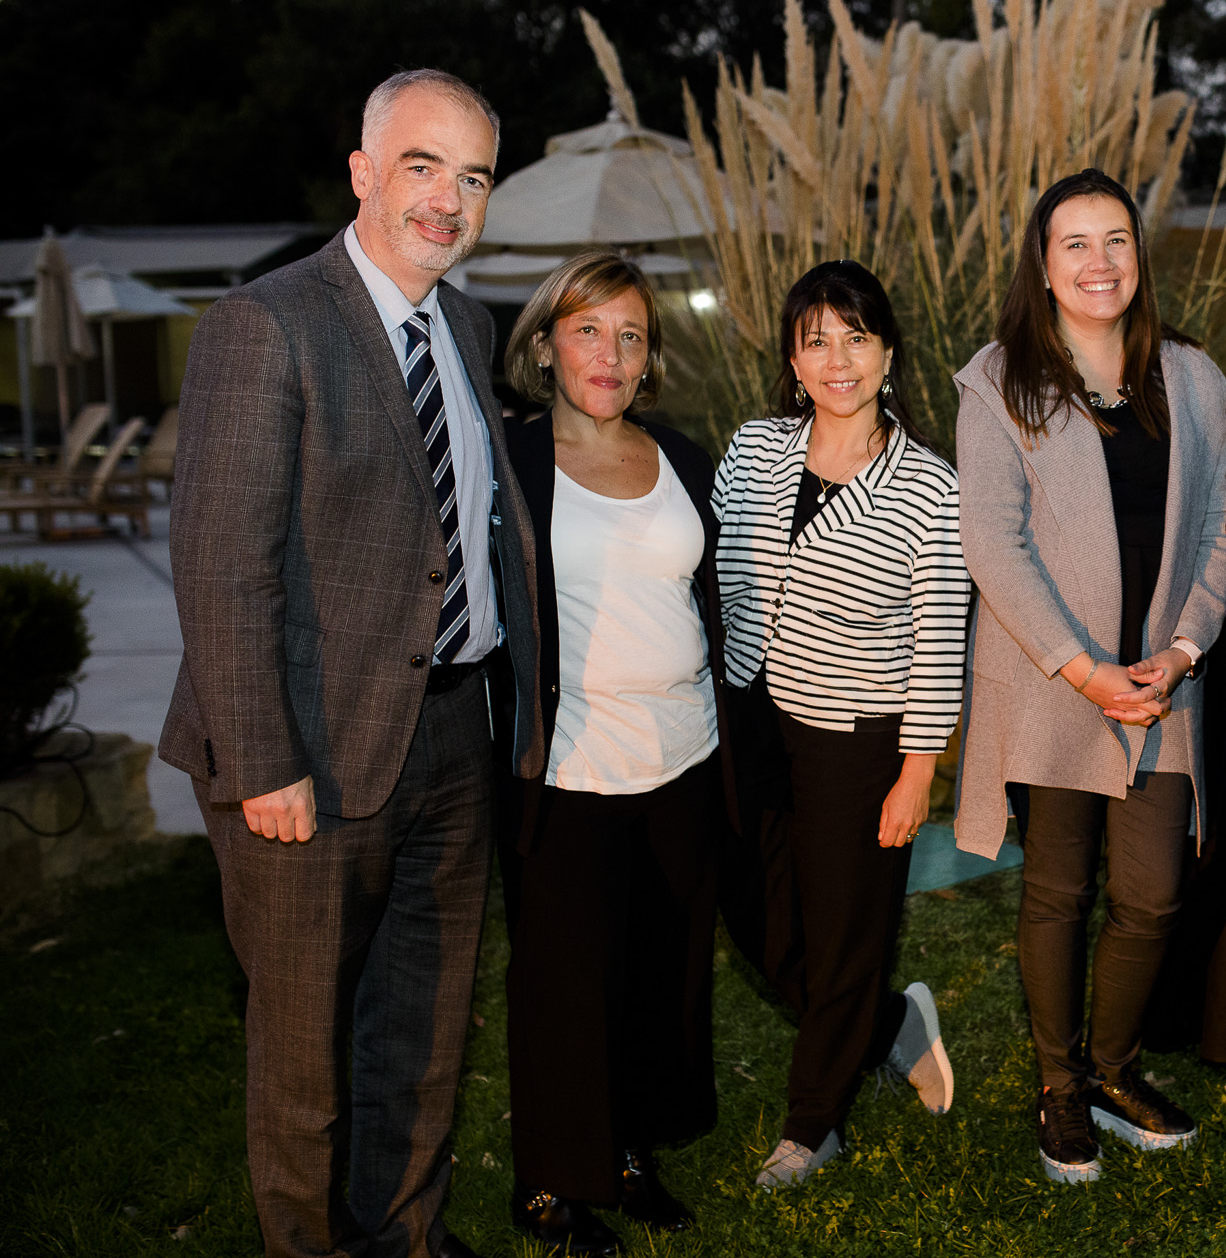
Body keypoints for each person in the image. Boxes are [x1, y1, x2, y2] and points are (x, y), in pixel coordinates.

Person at [160, 70, 538, 1258]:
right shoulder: (266, 324)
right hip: (306, 747)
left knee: (421, 1025)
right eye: (423, 166)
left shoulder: (466, 328)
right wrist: (262, 761)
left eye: (472, 177)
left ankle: (405, 1234)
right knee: (304, 1049)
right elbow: (223, 565)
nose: (448, 199)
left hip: (452, 734)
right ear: (365, 173)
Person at [954, 168, 1226, 1184]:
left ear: (1137, 254)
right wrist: (1085, 672)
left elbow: (1221, 528)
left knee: (1152, 896)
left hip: (1161, 688)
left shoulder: (1191, 378)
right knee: (1059, 890)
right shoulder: (999, 381)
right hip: (1054, 681)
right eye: (1074, 243)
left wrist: (1184, 649)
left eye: (1115, 239)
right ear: (1042, 264)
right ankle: (1058, 1085)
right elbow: (991, 542)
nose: (1098, 262)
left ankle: (1112, 1069)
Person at [713, 259, 969, 1189]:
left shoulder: (929, 486)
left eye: (855, 338)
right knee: (756, 916)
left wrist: (917, 771)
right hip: (747, 713)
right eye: (816, 340)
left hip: (855, 737)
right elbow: (702, 565)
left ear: (888, 352)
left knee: (843, 929)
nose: (837, 360)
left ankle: (812, 1123)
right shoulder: (754, 449)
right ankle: (886, 1021)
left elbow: (940, 636)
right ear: (792, 359)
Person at [495, 250, 728, 1255]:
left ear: (648, 360)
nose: (610, 352)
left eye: (630, 336)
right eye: (588, 329)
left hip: (685, 759)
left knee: (659, 972)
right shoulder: (507, 460)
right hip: (569, 768)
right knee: (565, 984)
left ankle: (629, 1153)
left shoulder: (680, 455)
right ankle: (551, 1183)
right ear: (546, 345)